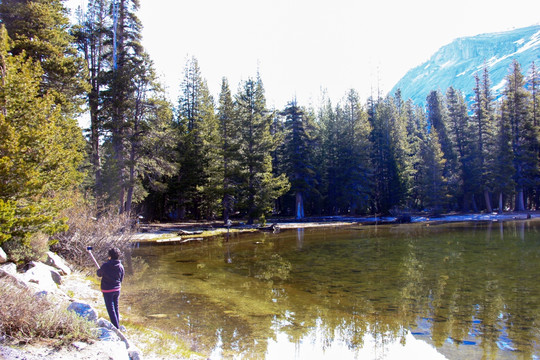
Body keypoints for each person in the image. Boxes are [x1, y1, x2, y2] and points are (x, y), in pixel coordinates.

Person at [97, 247, 125, 329]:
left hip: (107, 290)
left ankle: (116, 328)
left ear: (109, 256)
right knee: (115, 307)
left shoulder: (105, 265)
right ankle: (117, 325)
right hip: (117, 289)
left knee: (111, 309)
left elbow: (99, 274)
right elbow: (121, 278)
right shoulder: (120, 266)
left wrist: (99, 270)